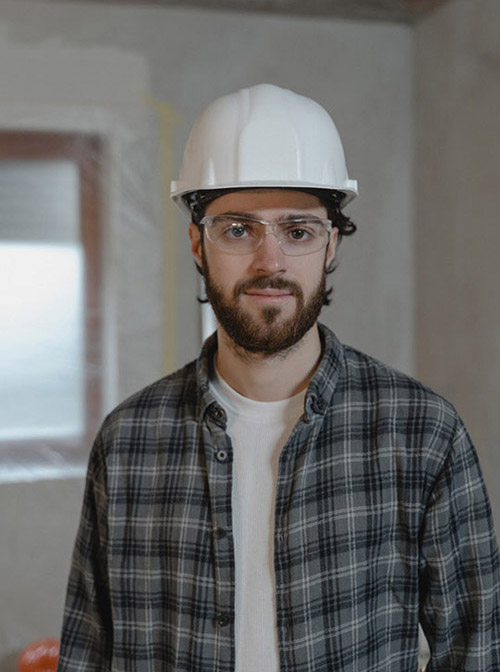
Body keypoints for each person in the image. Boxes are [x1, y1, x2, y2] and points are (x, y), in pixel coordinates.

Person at [57, 84, 500, 672]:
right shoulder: (129, 440)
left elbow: (475, 653)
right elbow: (87, 653)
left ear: (330, 246)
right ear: (197, 243)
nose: (270, 261)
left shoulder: (421, 433)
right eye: (238, 229)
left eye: (298, 231)